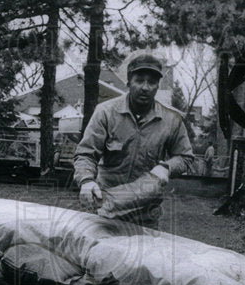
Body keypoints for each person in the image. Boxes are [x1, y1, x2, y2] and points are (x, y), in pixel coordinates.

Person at [73, 51, 193, 227]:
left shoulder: (172, 119)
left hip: (146, 215)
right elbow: (85, 154)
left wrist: (166, 167)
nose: (145, 87)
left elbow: (186, 157)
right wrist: (86, 180)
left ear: (157, 86)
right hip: (105, 209)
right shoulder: (105, 112)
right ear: (128, 82)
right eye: (139, 80)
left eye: (151, 82)